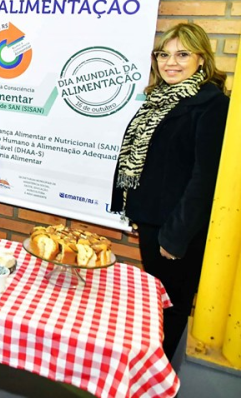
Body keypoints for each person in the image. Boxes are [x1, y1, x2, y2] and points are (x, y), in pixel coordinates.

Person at [110, 23, 229, 362]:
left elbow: (204, 178)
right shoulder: (160, 100)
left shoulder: (212, 105)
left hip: (178, 231)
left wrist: (175, 236)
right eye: (164, 54)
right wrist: (135, 209)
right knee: (156, 303)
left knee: (171, 307)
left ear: (202, 59)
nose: (170, 62)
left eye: (182, 54)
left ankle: (157, 375)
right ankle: (150, 369)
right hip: (153, 221)